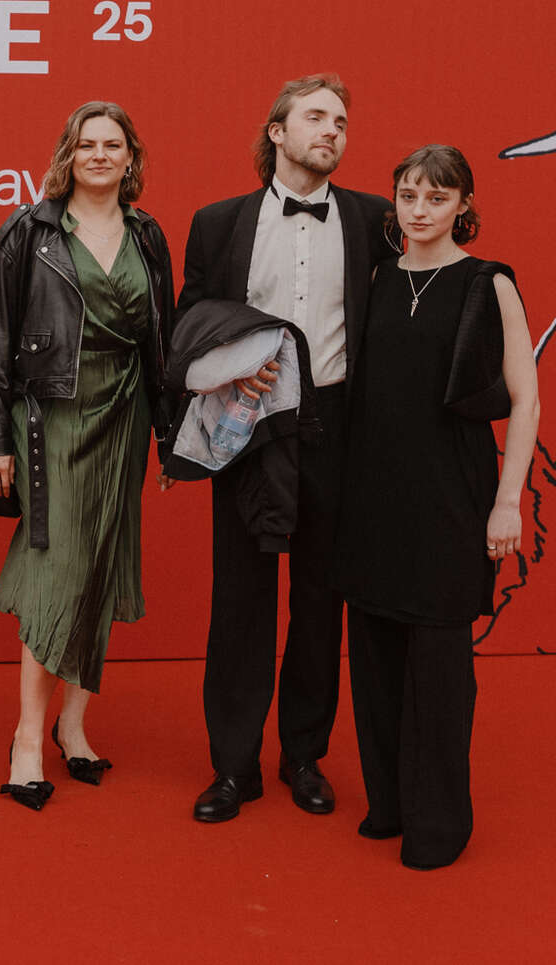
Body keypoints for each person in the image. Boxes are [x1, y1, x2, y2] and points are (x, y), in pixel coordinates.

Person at [178, 74, 396, 824]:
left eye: (341, 121)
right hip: (247, 423)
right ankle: (232, 767)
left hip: (336, 423)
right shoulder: (217, 223)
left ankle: (304, 755)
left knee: (320, 600)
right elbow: (190, 326)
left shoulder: (373, 219)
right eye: (316, 117)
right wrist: (232, 366)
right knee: (241, 599)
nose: (332, 130)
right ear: (277, 131)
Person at [336, 145, 538, 869]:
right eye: (408, 196)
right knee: (374, 658)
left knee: (441, 668)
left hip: (453, 495)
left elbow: (526, 400)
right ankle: (389, 804)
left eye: (436, 197)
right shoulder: (376, 277)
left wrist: (508, 502)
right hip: (372, 495)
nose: (419, 210)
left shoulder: (489, 283)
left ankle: (440, 823)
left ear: (463, 206)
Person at [0, 101, 174, 811]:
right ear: (68, 154)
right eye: (86, 144)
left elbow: (163, 341)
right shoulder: (28, 231)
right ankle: (27, 737)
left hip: (127, 410)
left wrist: (171, 434)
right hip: (52, 415)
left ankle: (73, 724)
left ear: (130, 157)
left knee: (104, 560)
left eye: (112, 144)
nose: (99, 155)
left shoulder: (148, 234)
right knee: (56, 567)